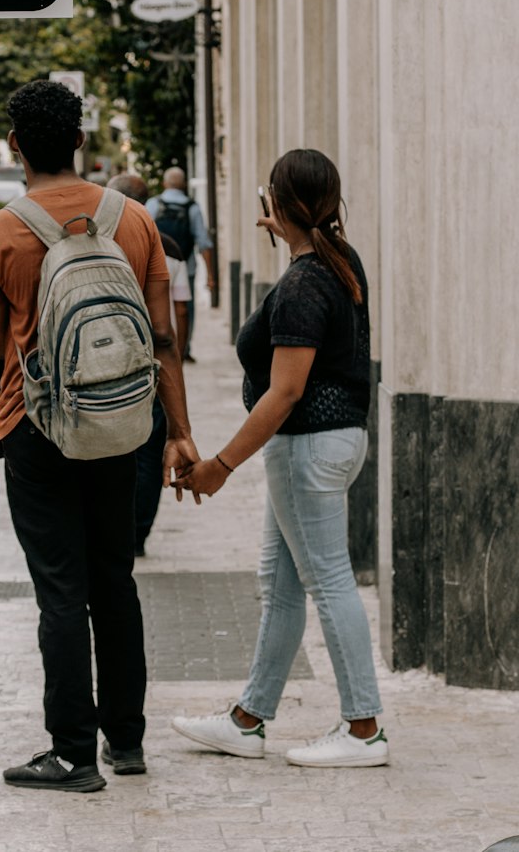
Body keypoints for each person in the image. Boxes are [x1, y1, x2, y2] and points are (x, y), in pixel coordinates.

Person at [0, 80, 200, 793]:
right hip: (123, 423)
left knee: (60, 591)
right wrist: (178, 433)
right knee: (113, 581)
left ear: (15, 147)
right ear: (82, 142)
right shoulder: (133, 220)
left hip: (35, 429)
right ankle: (127, 742)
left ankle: (70, 754)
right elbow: (162, 339)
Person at [167, 149, 388, 768]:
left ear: (276, 204)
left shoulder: (300, 284)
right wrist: (290, 234)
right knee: (283, 584)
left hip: (307, 450)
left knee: (325, 581)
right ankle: (249, 718)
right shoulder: (339, 262)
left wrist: (220, 465)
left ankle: (364, 728)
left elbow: (285, 391)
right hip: (336, 443)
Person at [108, 173, 190, 556]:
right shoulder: (167, 247)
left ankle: (116, 530)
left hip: (107, 363)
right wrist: (178, 358)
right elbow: (172, 319)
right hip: (152, 367)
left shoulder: (98, 241)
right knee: (149, 453)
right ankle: (136, 535)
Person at [145, 167, 214, 362]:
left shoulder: (153, 204)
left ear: (165, 184)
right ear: (183, 184)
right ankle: (183, 348)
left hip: (157, 268)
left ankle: (157, 344)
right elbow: (204, 242)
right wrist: (210, 275)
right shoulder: (192, 207)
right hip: (186, 266)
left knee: (155, 303)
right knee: (185, 309)